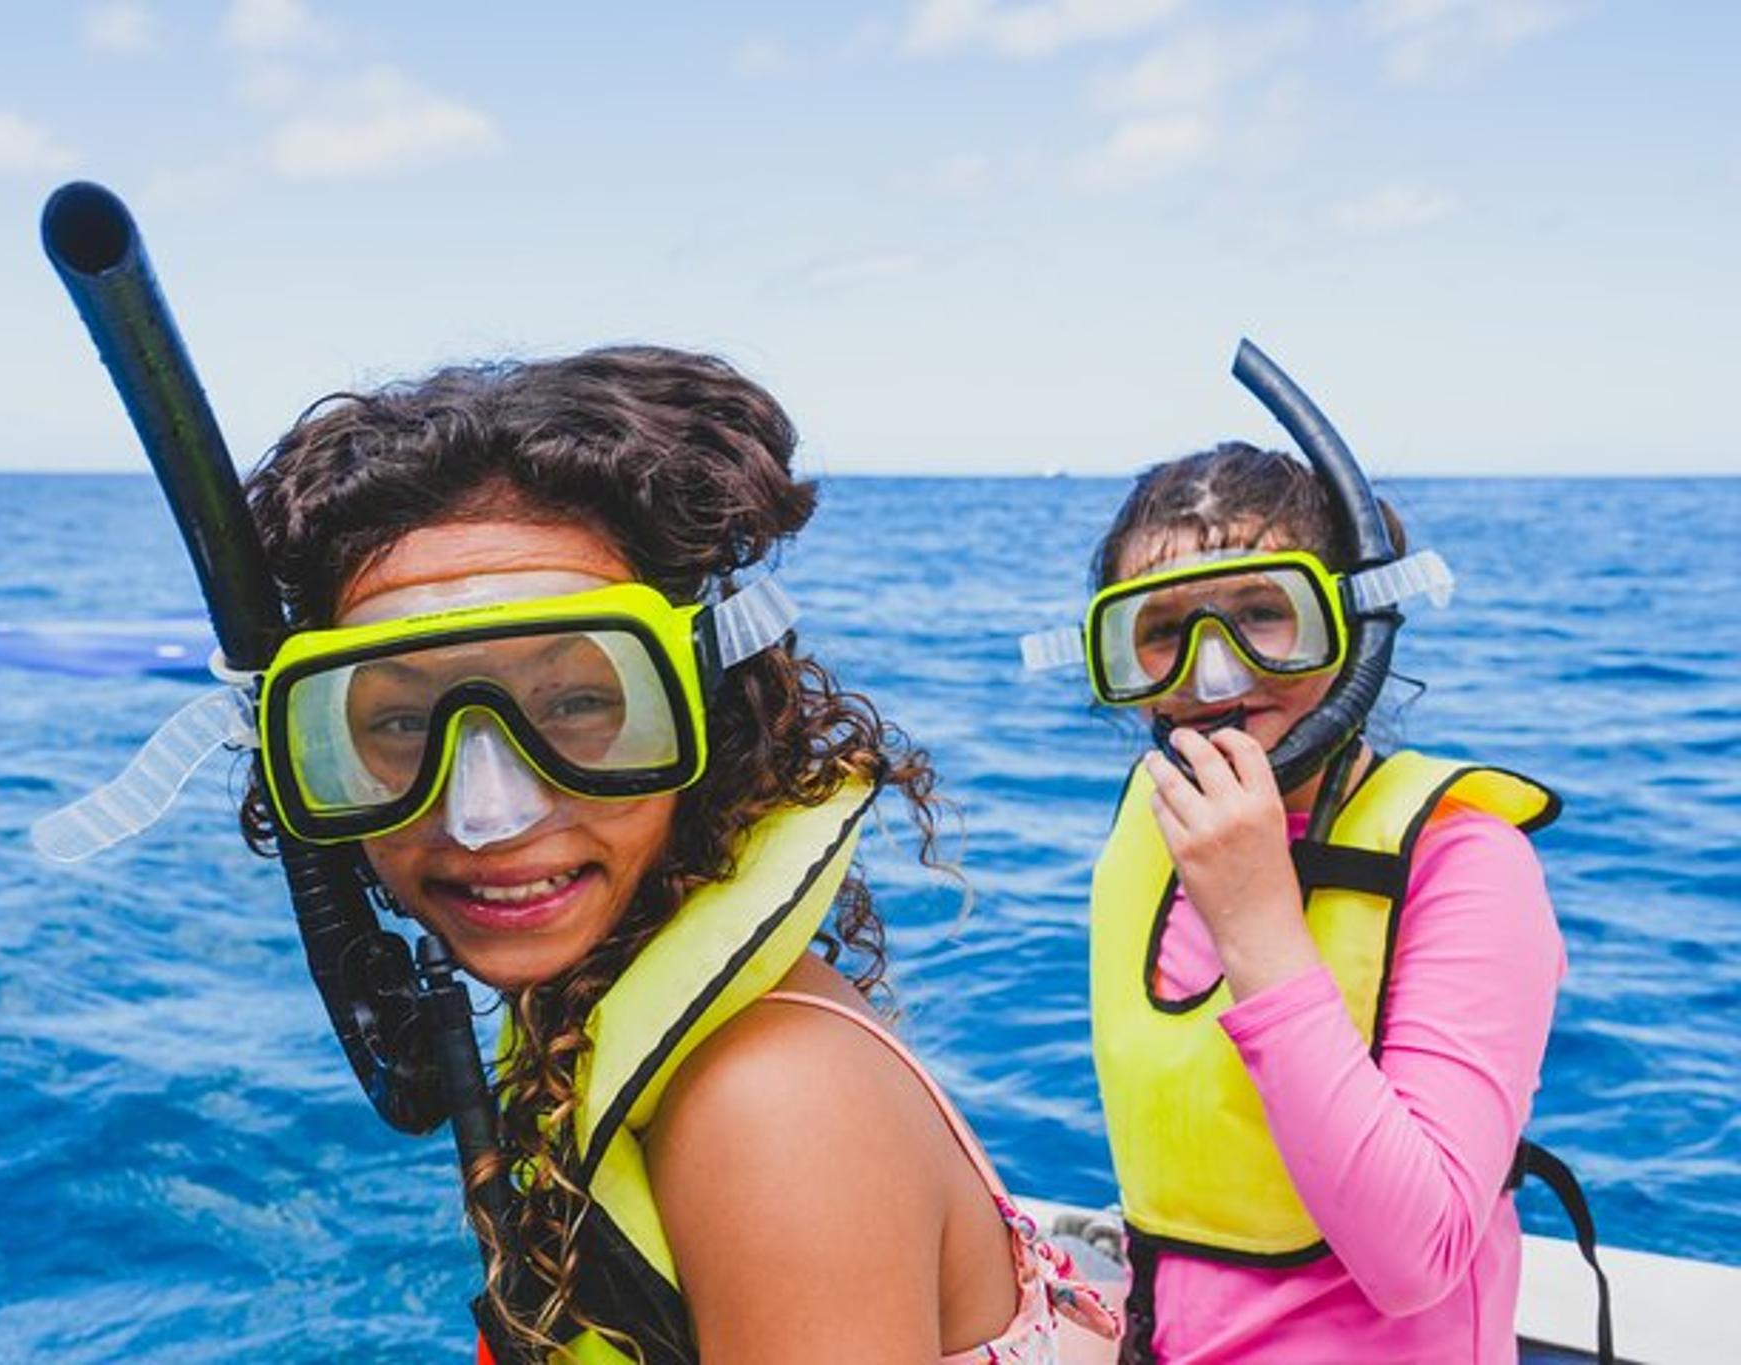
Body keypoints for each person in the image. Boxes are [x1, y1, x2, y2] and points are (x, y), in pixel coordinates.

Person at [238, 348, 1120, 1364]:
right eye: (397, 723)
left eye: (576, 704)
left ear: (710, 706)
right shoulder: (588, 1008)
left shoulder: (769, 1107)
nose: (484, 816)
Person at [1022, 420, 1568, 1363]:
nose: (1218, 671)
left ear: (1354, 622)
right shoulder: (1151, 826)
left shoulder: (1463, 859)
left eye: (1263, 614)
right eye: (1161, 632)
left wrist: (1259, 923)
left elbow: (1418, 1255)